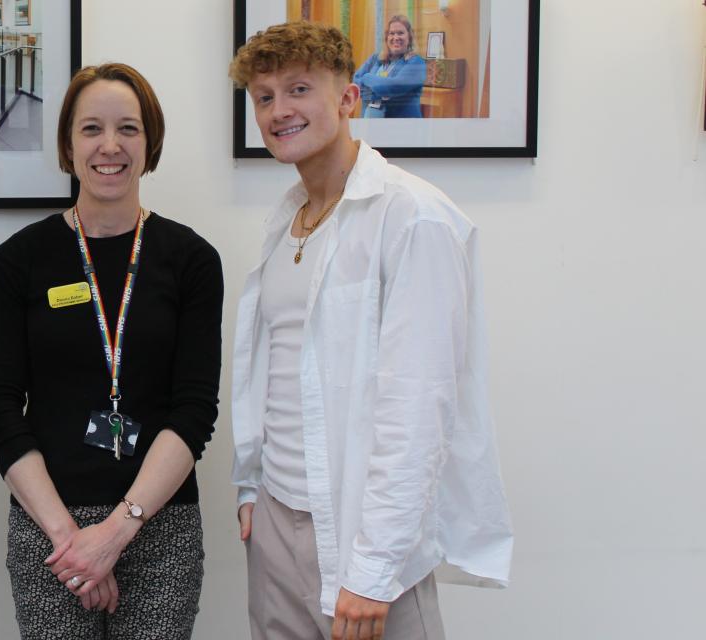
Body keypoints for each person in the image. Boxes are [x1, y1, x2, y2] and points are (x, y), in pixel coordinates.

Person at [228, 21, 512, 640]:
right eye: (264, 96)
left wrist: (375, 569)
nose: (279, 111)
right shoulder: (287, 222)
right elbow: (271, 373)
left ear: (348, 99)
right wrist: (253, 490)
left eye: (299, 89)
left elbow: (419, 405)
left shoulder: (414, 218)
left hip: (360, 534)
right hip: (275, 523)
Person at [0, 63, 223, 639]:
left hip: (160, 526)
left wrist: (115, 533)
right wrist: (72, 542)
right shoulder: (20, 260)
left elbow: (194, 412)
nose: (109, 146)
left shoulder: (191, 260)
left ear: (150, 142)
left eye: (128, 129)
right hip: (49, 530)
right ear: (67, 144)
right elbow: (1, 411)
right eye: (91, 129)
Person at [353, 15, 427, 118]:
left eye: (400, 33)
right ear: (386, 37)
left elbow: (392, 87)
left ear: (409, 37)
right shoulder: (376, 58)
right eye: (391, 33)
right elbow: (355, 82)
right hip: (370, 125)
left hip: (402, 129)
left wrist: (367, 77)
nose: (396, 38)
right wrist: (382, 93)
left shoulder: (416, 62)